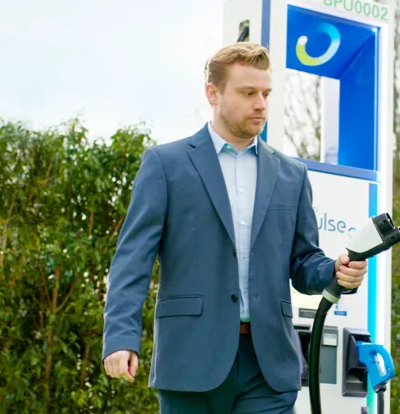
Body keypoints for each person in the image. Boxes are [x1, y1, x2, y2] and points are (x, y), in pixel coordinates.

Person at [101, 42, 368, 413]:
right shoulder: (165, 165)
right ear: (213, 93)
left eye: (265, 94)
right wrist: (120, 337)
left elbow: (304, 262)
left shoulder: (292, 174)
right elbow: (132, 260)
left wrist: (335, 272)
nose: (260, 104)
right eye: (248, 93)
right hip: (190, 361)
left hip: (269, 365)